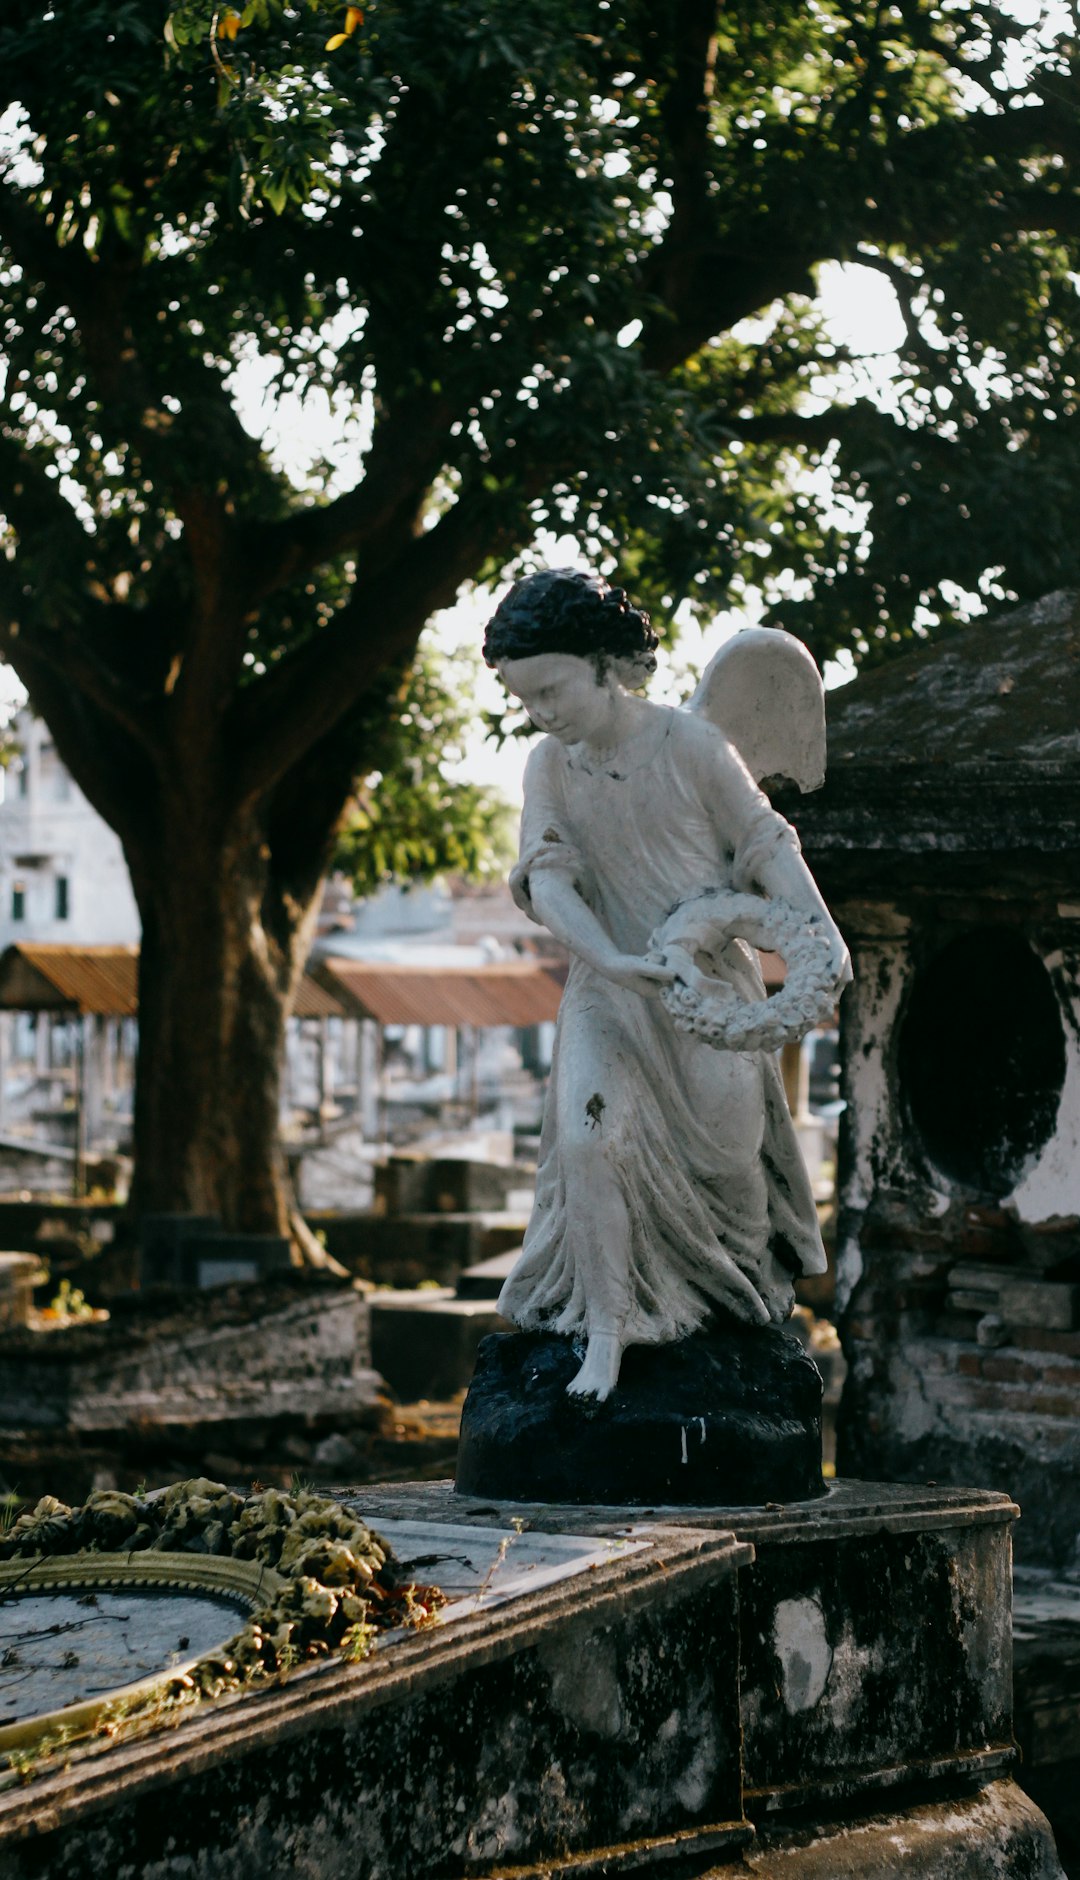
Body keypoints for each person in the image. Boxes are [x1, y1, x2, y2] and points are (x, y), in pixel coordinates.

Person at [484, 568, 850, 1402]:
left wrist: (818, 933)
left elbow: (765, 844)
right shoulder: (552, 764)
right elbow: (549, 880)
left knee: (729, 1166)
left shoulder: (691, 747)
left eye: (552, 689)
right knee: (588, 1137)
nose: (541, 712)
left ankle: (738, 1302)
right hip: (609, 986)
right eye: (525, 697)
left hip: (709, 986)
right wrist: (610, 960)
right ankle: (607, 1333)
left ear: (610, 666)